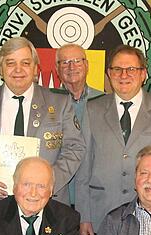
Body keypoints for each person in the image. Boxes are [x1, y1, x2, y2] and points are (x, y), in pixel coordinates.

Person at [0, 37, 84, 226]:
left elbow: (75, 148)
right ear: (1, 69)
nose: (18, 70)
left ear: (35, 68)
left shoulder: (60, 103)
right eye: (11, 63)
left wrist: (49, 181)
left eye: (25, 63)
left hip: (47, 204)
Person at [75, 45, 151, 235]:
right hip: (99, 214)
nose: (124, 75)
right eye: (117, 69)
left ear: (143, 74)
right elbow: (83, 167)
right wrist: (83, 215)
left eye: (131, 69)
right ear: (108, 74)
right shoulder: (92, 109)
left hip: (148, 214)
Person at [55, 43, 103, 209]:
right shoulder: (46, 102)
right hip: (57, 194)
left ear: (87, 65)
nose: (71, 67)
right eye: (65, 62)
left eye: (77, 61)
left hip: (94, 196)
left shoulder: (105, 101)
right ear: (57, 68)